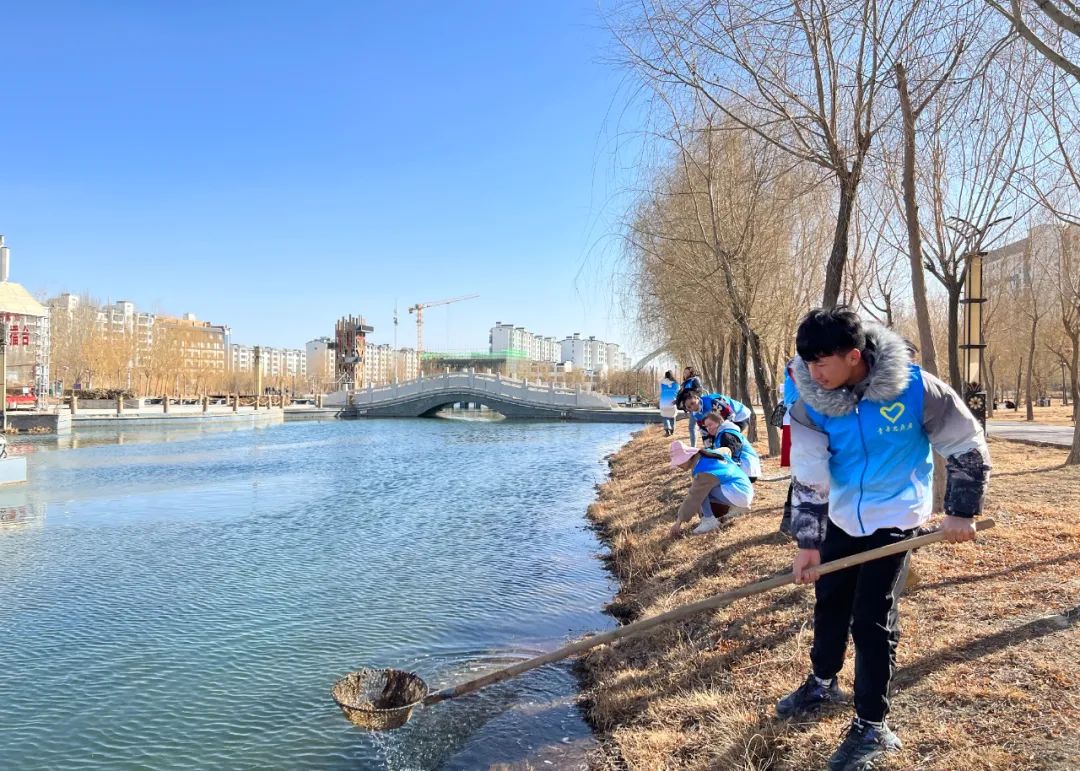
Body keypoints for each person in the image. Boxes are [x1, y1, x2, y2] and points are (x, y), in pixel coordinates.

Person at [778, 307, 990, 771]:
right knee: (829, 600)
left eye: (822, 363)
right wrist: (807, 542)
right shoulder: (809, 401)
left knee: (871, 617)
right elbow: (810, 475)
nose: (813, 373)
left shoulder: (916, 389)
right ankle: (822, 682)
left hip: (895, 517)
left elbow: (966, 444)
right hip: (840, 515)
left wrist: (960, 511)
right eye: (807, 363)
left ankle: (872, 725)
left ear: (853, 356)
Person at [667, 438, 753, 536]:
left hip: (739, 493)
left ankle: (709, 521)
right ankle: (738, 508)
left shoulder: (703, 470)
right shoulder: (707, 455)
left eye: (679, 461)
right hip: (744, 489)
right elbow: (726, 450)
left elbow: (693, 496)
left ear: (687, 457)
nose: (678, 465)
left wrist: (679, 521)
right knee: (702, 489)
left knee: (700, 492)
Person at [676, 367, 703, 446]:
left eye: (687, 372)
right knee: (693, 426)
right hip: (691, 407)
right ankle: (694, 447)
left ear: (691, 373)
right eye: (684, 372)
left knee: (693, 427)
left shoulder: (694, 380)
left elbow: (698, 391)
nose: (685, 374)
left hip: (695, 406)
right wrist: (678, 401)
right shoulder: (687, 382)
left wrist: (688, 395)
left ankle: (694, 447)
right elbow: (683, 394)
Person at [659, 371, 679, 437]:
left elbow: (660, 392)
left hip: (663, 403)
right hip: (673, 402)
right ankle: (672, 431)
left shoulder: (662, 383)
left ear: (665, 375)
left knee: (665, 417)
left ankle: (667, 431)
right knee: (672, 417)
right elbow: (678, 393)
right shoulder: (676, 383)